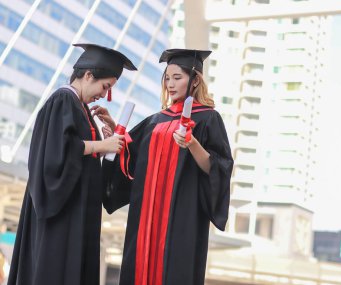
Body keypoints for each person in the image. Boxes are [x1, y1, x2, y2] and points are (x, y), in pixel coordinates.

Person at [7, 43, 137, 285]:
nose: (103, 93)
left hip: (77, 209)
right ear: (88, 75)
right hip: (61, 209)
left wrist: (105, 137)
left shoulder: (81, 107)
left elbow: (83, 153)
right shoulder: (63, 100)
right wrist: (101, 145)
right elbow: (57, 151)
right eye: (105, 86)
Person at [102, 48, 234, 285]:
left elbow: (218, 168)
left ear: (194, 81)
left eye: (178, 77)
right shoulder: (156, 120)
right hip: (146, 213)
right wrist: (115, 131)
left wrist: (192, 143)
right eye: (167, 78)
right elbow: (129, 155)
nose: (170, 84)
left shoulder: (208, 119)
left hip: (182, 214)